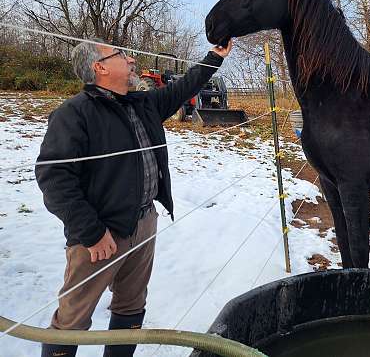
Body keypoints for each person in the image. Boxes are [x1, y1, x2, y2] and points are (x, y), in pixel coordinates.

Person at [35, 38, 232, 357]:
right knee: (72, 320)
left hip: (143, 223)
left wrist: (215, 57)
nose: (131, 60)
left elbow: (184, 88)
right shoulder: (73, 114)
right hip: (98, 237)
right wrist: (92, 233)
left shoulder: (143, 104)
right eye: (121, 55)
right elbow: (53, 179)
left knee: (130, 306)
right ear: (99, 67)